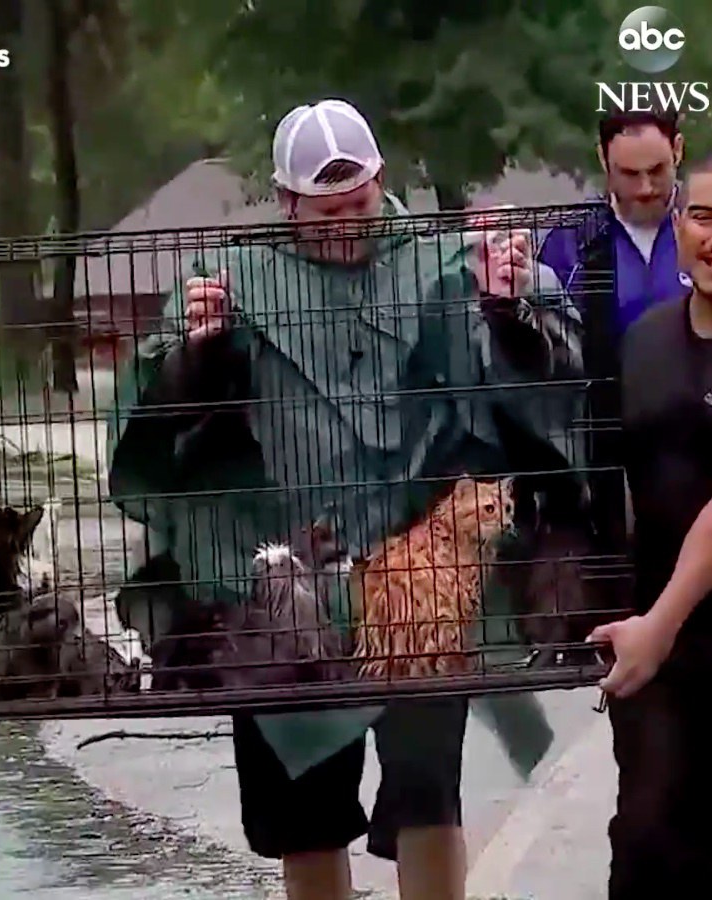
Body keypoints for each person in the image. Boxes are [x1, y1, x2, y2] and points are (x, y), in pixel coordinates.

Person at [108, 99, 582, 900]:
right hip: (286, 578)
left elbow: (545, 363)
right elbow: (165, 414)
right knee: (308, 813)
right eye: (323, 213)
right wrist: (198, 351)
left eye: (358, 205)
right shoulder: (237, 278)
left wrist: (507, 304)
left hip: (415, 586)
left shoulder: (441, 263)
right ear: (286, 203)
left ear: (380, 183)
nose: (344, 226)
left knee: (429, 793)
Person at [588, 157, 712, 898]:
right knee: (646, 834)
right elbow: (605, 475)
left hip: (672, 625)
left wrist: (658, 624)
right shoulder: (644, 344)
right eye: (702, 217)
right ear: (677, 226)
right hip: (658, 645)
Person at [538, 106, 689, 557]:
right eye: (628, 173)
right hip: (601, 439)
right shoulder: (571, 244)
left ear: (678, 151)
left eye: (657, 170)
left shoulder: (701, 227)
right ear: (603, 161)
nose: (644, 188)